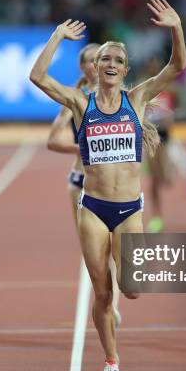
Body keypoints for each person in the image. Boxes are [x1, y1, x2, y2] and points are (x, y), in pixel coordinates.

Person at [30, 0, 186, 371]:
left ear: (125, 69)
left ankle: (121, 265)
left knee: (131, 290)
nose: (111, 64)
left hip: (129, 208)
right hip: (94, 209)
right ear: (95, 69)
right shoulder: (81, 105)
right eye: (105, 60)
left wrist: (176, 27)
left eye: (118, 60)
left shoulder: (137, 100)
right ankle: (112, 360)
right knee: (102, 294)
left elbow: (177, 66)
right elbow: (38, 76)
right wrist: (56, 37)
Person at [46, 43, 122, 326]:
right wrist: (85, 147)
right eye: (91, 61)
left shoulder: (117, 95)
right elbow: (54, 140)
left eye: (98, 60)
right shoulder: (76, 98)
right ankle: (106, 302)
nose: (95, 65)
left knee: (118, 247)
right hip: (81, 180)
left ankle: (110, 300)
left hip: (115, 183)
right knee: (96, 249)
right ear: (84, 67)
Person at [138, 54, 178, 233]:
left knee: (163, 179)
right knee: (154, 180)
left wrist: (171, 117)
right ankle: (157, 216)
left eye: (156, 66)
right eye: (151, 66)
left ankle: (165, 171)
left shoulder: (171, 88)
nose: (153, 69)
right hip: (150, 135)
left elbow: (176, 108)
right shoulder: (143, 87)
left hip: (165, 133)